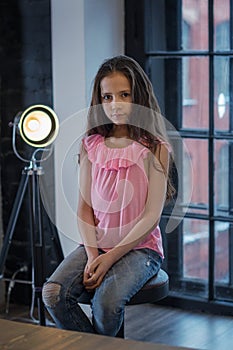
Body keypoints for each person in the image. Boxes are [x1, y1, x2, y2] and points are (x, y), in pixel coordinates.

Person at [42, 55, 174, 337]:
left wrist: (112, 256)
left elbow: (152, 216)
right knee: (53, 293)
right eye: (108, 96)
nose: (116, 104)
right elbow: (84, 208)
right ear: (99, 101)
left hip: (140, 250)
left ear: (138, 96)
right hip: (97, 245)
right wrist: (93, 256)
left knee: (106, 303)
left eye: (124, 95)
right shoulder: (91, 144)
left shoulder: (155, 148)